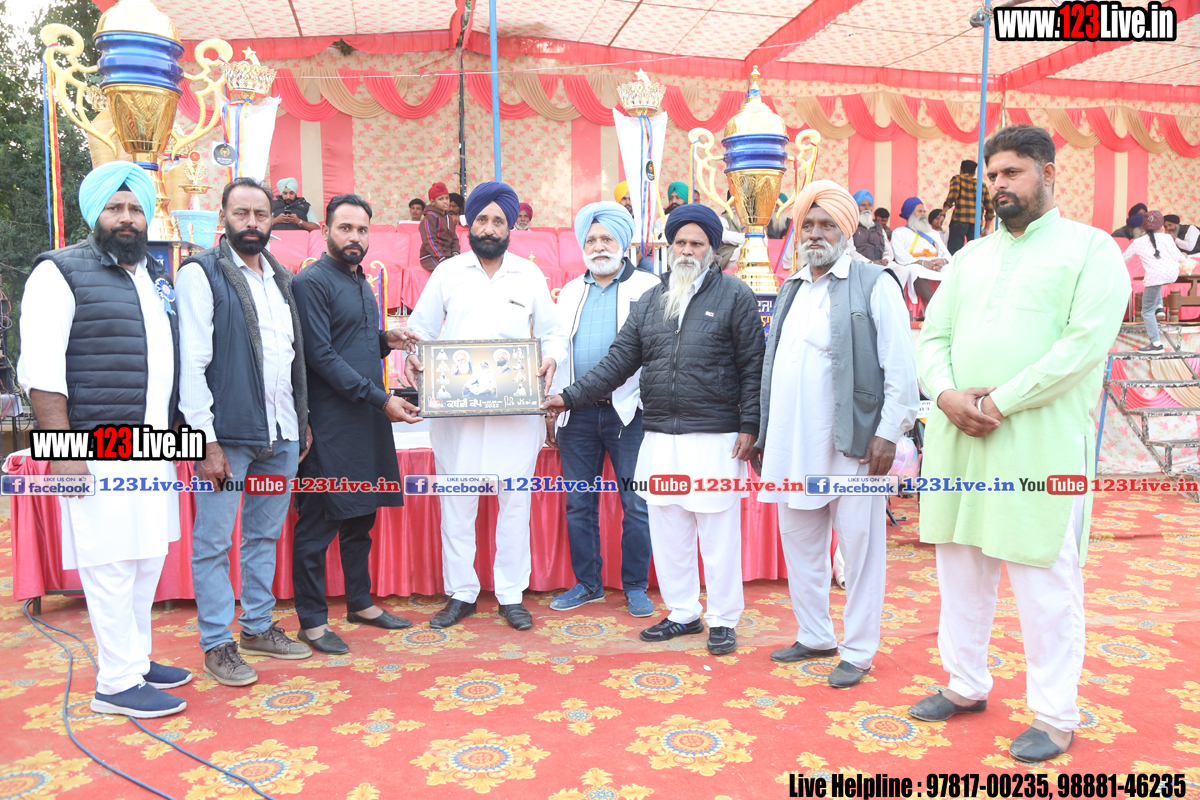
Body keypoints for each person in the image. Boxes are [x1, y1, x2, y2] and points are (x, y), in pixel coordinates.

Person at [910, 124, 1128, 764]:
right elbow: (932, 338)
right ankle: (965, 682)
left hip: (1038, 445)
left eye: (1012, 172)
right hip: (960, 439)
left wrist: (998, 402)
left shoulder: (1091, 250)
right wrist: (946, 395)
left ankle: (1056, 715)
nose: (998, 185)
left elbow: (1083, 347)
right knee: (960, 569)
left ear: (1048, 173)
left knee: (1044, 582)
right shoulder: (971, 257)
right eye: (992, 175)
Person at [544, 204, 765, 656]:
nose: (687, 251)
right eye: (680, 243)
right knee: (669, 530)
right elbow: (618, 362)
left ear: (711, 249)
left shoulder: (735, 295)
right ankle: (683, 612)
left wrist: (751, 425)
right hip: (659, 434)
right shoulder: (652, 299)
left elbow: (753, 367)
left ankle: (724, 618)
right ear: (669, 248)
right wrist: (567, 397)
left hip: (715, 436)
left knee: (717, 534)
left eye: (696, 243)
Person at [18, 161, 189, 717]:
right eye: (115, 208)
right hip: (95, 447)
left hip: (152, 446)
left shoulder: (151, 274)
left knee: (146, 555)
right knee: (110, 561)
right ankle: (115, 684)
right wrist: (64, 452)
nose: (127, 217)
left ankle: (135, 660)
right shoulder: (59, 271)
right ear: (94, 213)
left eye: (136, 208)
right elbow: (42, 371)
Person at [750, 181, 917, 688]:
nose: (816, 234)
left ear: (846, 230)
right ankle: (815, 634)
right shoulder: (793, 287)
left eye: (827, 225)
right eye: (808, 225)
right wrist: (763, 434)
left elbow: (900, 367)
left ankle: (859, 650)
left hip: (855, 445)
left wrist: (889, 432)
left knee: (861, 551)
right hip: (792, 443)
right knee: (800, 543)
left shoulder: (874, 282)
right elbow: (774, 365)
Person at [404, 181, 567, 632]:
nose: (490, 228)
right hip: (457, 414)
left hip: (515, 413)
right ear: (468, 224)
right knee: (457, 504)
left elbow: (553, 333)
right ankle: (462, 593)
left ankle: (511, 594)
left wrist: (552, 358)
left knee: (514, 504)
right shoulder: (448, 272)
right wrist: (415, 357)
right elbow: (421, 330)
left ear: (510, 227)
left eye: (498, 221)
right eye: (482, 220)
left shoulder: (528, 274)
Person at [177, 177, 314, 686]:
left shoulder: (280, 278)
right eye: (242, 213)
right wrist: (205, 441)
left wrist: (300, 422)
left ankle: (257, 627)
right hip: (226, 435)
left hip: (281, 432)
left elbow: (291, 358)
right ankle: (217, 642)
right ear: (224, 218)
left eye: (261, 214)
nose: (252, 223)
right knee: (213, 542)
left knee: (264, 536)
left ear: (272, 219)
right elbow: (193, 363)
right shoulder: (201, 273)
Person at [291, 194, 421, 655]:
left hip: (364, 418)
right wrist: (382, 399)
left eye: (362, 230)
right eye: (345, 228)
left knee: (360, 518)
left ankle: (360, 603)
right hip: (329, 424)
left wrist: (387, 339)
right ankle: (311, 622)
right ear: (326, 230)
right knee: (317, 526)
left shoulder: (361, 280)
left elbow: (352, 341)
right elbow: (321, 356)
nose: (354, 237)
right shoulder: (311, 282)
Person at [547, 202, 660, 617]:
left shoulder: (649, 286)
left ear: (623, 243)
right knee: (579, 503)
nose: (598, 247)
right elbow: (556, 349)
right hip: (575, 413)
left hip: (630, 413)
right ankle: (588, 584)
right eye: (591, 239)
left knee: (636, 504)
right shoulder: (569, 291)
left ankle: (635, 586)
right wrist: (552, 408)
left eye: (607, 239)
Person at [1125, 210, 1186, 353]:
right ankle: (1159, 306)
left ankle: (1156, 344)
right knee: (1155, 282)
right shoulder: (1167, 238)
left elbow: (1123, 259)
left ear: (1143, 227)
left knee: (1147, 311)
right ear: (1161, 225)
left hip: (1155, 277)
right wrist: (1185, 256)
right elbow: (1180, 258)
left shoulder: (1138, 242)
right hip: (1172, 274)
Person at [891, 197, 952, 304]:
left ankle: (953, 305)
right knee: (915, 270)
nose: (923, 214)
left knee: (952, 270)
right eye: (920, 211)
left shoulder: (933, 233)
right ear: (910, 214)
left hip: (936, 264)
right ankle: (934, 304)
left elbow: (947, 254)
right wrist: (923, 263)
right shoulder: (899, 232)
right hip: (916, 264)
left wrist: (942, 261)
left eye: (924, 211)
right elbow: (900, 256)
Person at [942, 159, 994, 253]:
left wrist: (943, 212)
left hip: (959, 220)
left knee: (955, 251)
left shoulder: (958, 179)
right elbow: (990, 208)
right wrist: (986, 228)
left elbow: (953, 195)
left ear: (961, 170)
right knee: (973, 252)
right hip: (976, 223)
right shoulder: (981, 185)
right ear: (974, 173)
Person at [420, 182, 460, 271]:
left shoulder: (449, 218)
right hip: (430, 256)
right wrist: (441, 257)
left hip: (447, 255)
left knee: (463, 270)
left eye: (447, 198)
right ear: (433, 202)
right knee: (446, 271)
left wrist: (455, 253)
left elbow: (454, 238)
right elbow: (429, 241)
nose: (445, 201)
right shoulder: (429, 218)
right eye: (441, 199)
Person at [851, 190, 893, 267]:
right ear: (856, 207)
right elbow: (850, 251)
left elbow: (888, 250)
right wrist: (870, 262)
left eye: (869, 205)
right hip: (860, 264)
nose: (867, 208)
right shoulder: (851, 227)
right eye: (863, 205)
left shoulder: (879, 227)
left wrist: (886, 259)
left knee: (901, 270)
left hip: (881, 264)